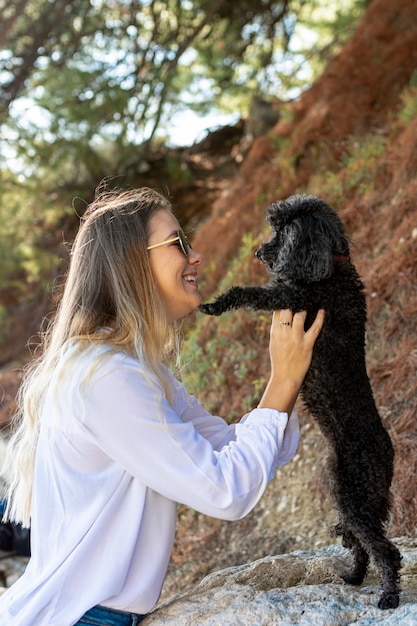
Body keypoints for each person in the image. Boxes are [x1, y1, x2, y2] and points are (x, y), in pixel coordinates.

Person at [0, 187, 324, 625]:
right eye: (177, 243)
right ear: (132, 262)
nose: (196, 258)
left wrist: (291, 371)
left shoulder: (133, 371)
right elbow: (226, 489)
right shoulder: (107, 378)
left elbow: (232, 446)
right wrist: (282, 380)